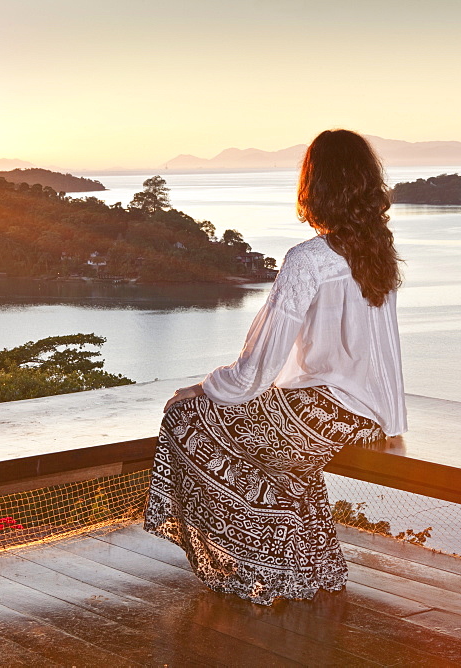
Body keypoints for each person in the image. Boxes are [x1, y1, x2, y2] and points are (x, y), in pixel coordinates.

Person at [143, 129, 407, 606]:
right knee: (277, 455)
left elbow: (256, 370)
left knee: (182, 420)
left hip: (329, 411)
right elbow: (380, 353)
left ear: (314, 185)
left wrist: (202, 388)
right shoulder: (377, 252)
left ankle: (259, 564)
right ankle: (306, 567)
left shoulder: (308, 259)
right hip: (368, 413)